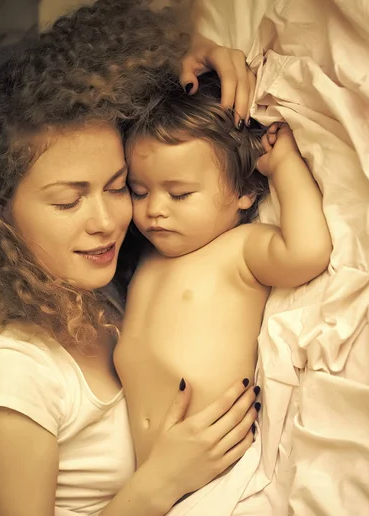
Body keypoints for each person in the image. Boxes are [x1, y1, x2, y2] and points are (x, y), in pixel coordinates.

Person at [0, 2, 260, 516]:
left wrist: (191, 63)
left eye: (115, 188)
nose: (107, 221)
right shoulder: (11, 367)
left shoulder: (98, 283)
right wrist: (162, 480)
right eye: (67, 201)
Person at [115, 73, 333, 467]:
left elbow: (308, 253)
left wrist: (283, 166)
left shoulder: (239, 249)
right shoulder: (144, 256)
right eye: (139, 191)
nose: (154, 209)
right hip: (151, 478)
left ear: (244, 192)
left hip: (214, 465)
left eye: (180, 194)